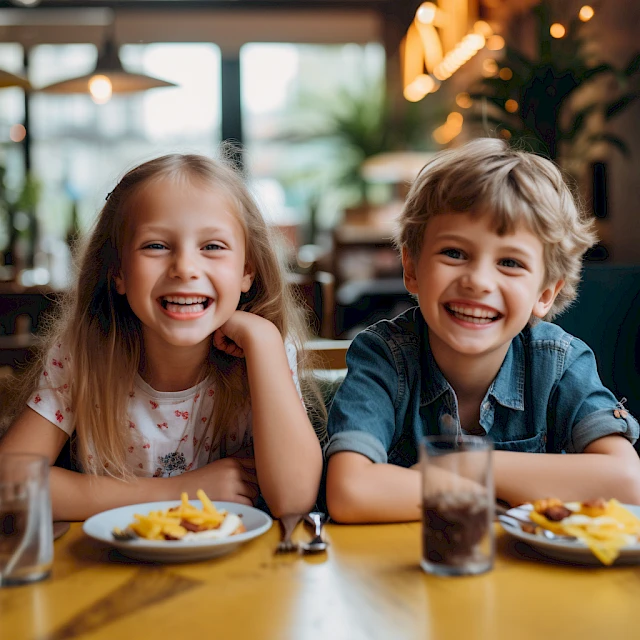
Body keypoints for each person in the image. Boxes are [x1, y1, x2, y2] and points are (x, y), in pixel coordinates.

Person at [325, 138, 640, 523]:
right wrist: (503, 497)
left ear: (544, 294)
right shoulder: (384, 356)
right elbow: (350, 492)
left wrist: (468, 469)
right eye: (454, 253)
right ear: (411, 268)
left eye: (509, 262)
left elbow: (628, 483)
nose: (478, 281)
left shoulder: (560, 362)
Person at [0, 153, 324, 521]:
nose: (185, 268)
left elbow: (294, 498)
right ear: (118, 272)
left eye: (212, 247)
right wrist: (178, 491)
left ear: (246, 271)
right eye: (156, 245)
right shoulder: (84, 355)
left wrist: (265, 340)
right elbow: (9, 485)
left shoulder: (263, 351)